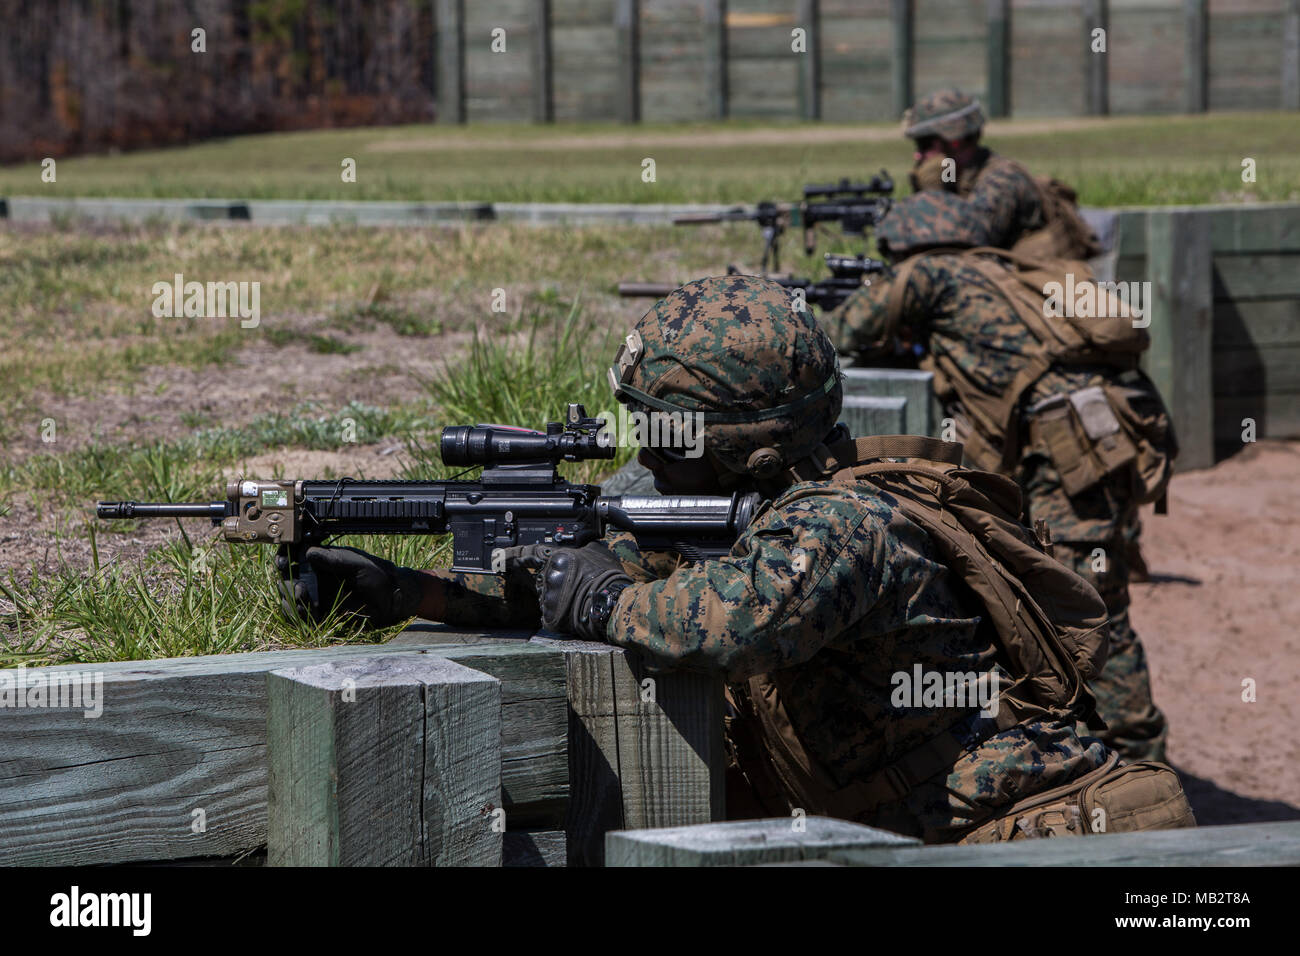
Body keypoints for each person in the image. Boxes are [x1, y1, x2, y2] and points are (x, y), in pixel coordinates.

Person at [280, 274, 1193, 844]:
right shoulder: (758, 510)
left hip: (1026, 833)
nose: (645, 450)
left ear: (747, 453)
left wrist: (598, 602)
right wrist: (410, 589)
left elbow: (727, 619)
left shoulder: (846, 524)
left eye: (665, 432)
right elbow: (581, 576)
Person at [825, 244, 1177, 763]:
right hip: (1101, 436)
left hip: (1074, 452)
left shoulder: (929, 273)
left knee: (1093, 609)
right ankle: (1100, 744)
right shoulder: (1003, 269)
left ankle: (1139, 763)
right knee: (1079, 595)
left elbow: (841, 331)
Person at [877, 88, 1100, 262]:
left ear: (954, 140)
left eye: (925, 144)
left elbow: (968, 243)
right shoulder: (955, 178)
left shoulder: (1002, 179)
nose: (918, 155)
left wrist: (932, 197)